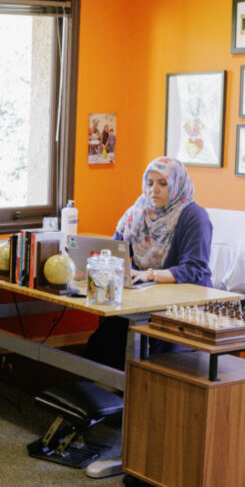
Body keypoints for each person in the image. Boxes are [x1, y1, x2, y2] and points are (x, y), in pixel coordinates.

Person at [84, 156, 212, 368]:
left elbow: (194, 268)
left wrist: (149, 274)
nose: (154, 190)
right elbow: (118, 251)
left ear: (177, 185)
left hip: (184, 302)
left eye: (163, 184)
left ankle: (133, 391)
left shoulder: (194, 216)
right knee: (101, 344)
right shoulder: (137, 212)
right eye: (150, 183)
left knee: (148, 350)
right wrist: (98, 266)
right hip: (145, 298)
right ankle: (113, 393)